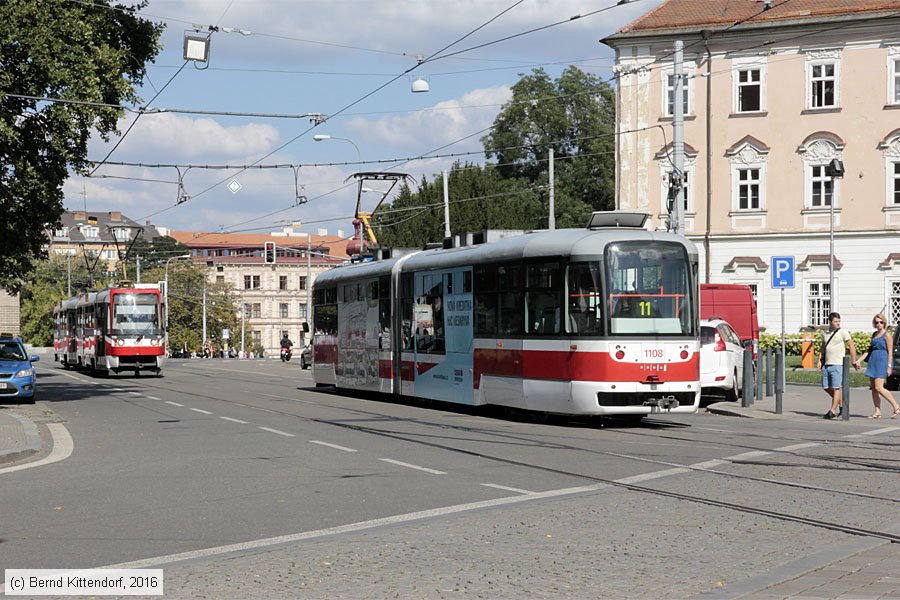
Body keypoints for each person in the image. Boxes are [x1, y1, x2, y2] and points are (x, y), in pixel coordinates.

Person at [853, 313, 900, 419]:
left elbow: (890, 351)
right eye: (877, 322)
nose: (879, 324)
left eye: (881, 322)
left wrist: (889, 366)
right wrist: (859, 360)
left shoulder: (887, 335)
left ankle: (896, 406)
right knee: (874, 388)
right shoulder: (874, 334)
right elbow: (869, 350)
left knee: (879, 387)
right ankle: (877, 411)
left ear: (884, 323)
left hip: (882, 361)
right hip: (873, 361)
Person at [817, 312, 858, 419]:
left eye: (839, 321)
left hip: (838, 364)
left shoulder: (843, 332)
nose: (838, 323)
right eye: (835, 321)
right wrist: (819, 360)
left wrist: (854, 361)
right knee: (826, 387)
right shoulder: (825, 333)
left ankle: (832, 411)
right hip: (827, 364)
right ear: (830, 322)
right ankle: (841, 403)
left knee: (836, 388)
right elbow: (823, 347)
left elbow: (852, 347)